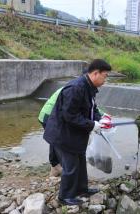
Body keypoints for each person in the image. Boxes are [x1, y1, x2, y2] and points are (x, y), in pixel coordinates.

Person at [43, 59, 112, 206]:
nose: (106, 79)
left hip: (74, 134)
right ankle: (65, 196)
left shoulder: (89, 87)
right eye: (105, 76)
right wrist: (92, 124)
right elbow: (70, 115)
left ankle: (81, 189)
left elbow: (90, 109)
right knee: (71, 166)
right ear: (95, 73)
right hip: (63, 134)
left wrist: (101, 119)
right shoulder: (76, 88)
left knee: (80, 161)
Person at [38, 87, 63, 177]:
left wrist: (102, 115)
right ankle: (56, 167)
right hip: (49, 117)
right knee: (57, 142)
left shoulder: (74, 87)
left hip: (48, 115)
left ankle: (55, 168)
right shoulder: (73, 89)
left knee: (55, 142)